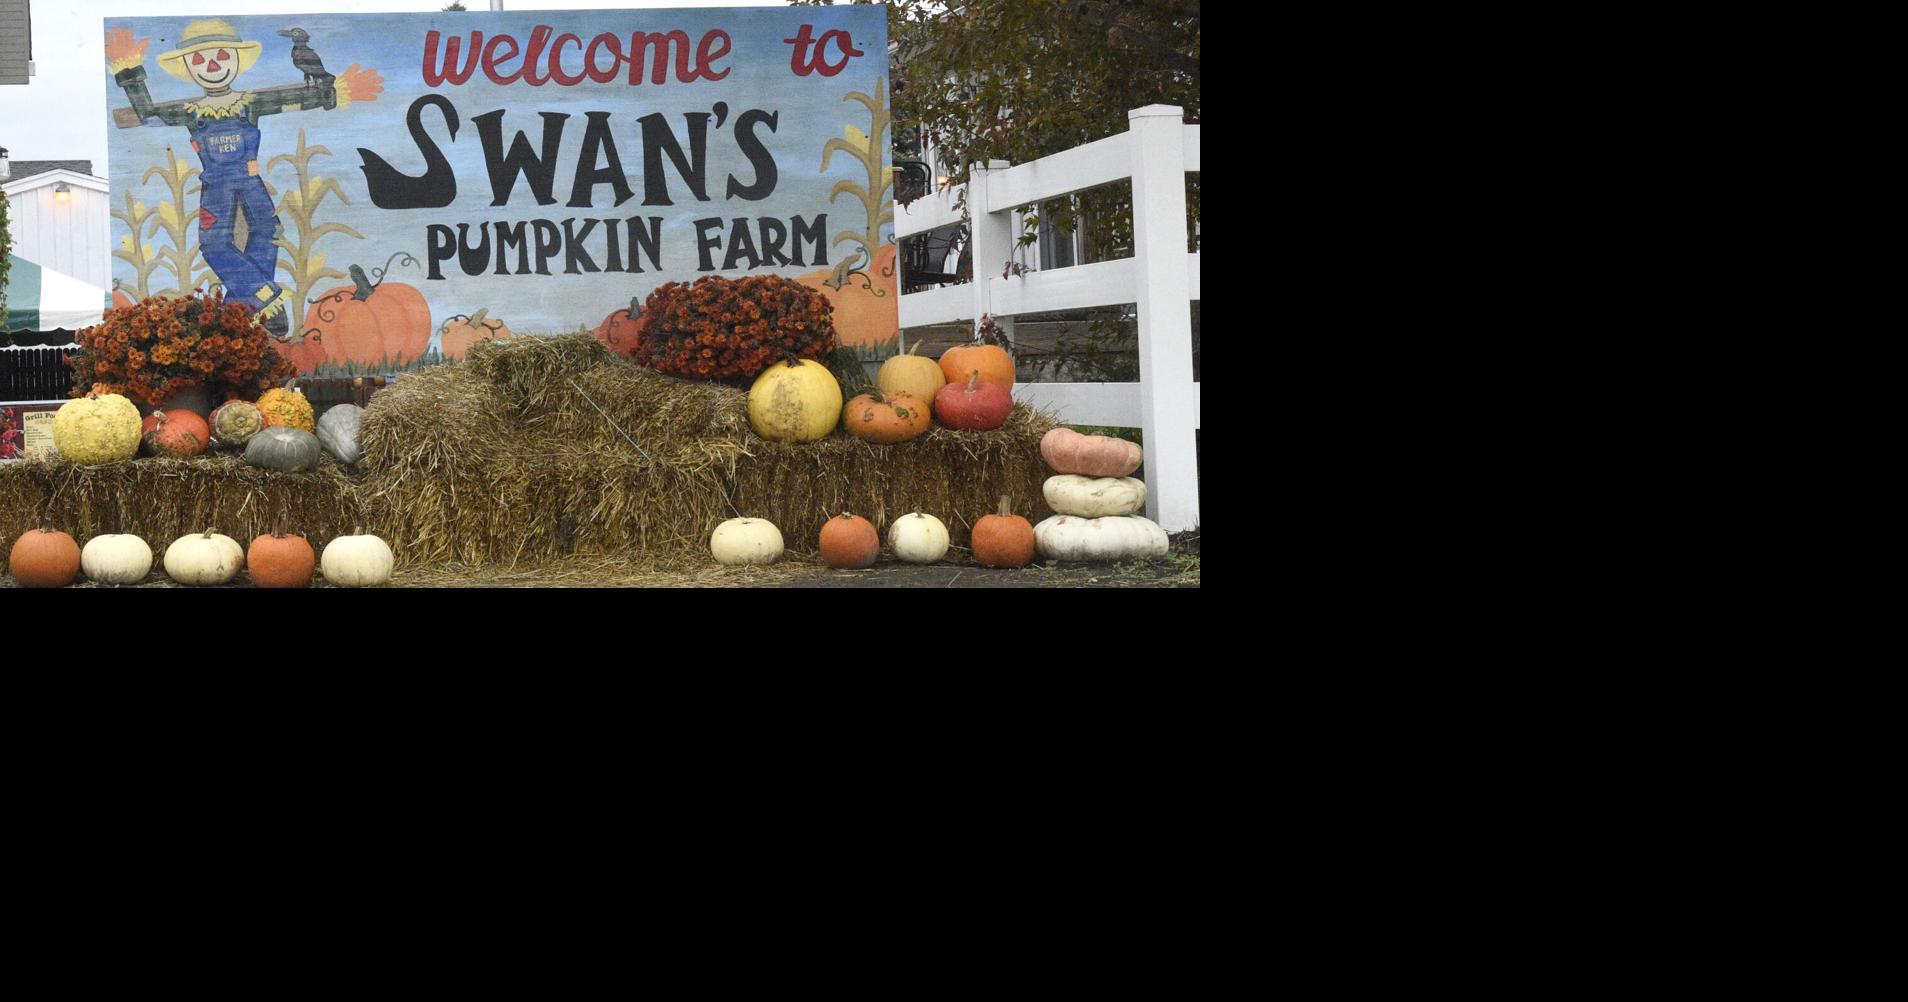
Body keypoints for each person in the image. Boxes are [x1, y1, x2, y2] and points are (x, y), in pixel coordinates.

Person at [104, 20, 375, 337]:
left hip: (250, 181)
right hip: (215, 186)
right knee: (212, 244)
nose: (212, 65)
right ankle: (266, 296)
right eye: (201, 60)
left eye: (220, 56)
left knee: (268, 231)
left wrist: (335, 91)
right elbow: (148, 112)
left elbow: (300, 97)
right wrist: (129, 72)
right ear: (188, 68)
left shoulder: (251, 103)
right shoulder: (189, 110)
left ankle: (235, 313)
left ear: (234, 60)